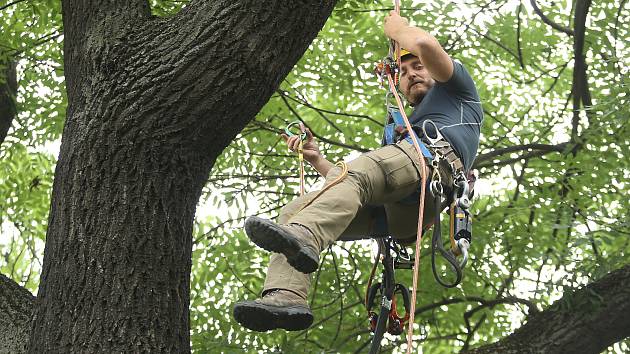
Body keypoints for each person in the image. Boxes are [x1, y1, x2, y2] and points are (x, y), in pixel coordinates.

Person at [233, 11, 483, 332]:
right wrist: (318, 161)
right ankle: (286, 295)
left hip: (431, 168)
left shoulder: (458, 91)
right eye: (403, 73)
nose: (411, 74)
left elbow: (422, 43)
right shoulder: (408, 125)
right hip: (399, 215)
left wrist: (398, 30)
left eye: (417, 66)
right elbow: (353, 187)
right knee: (298, 209)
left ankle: (306, 236)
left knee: (355, 174)